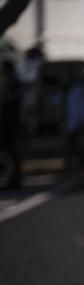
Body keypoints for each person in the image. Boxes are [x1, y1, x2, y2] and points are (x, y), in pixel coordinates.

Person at [0, 59, 22, 189]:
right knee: (10, 151)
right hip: (10, 120)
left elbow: (7, 98)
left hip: (9, 121)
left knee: (9, 150)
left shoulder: (12, 82)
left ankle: (13, 178)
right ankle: (13, 178)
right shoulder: (12, 81)